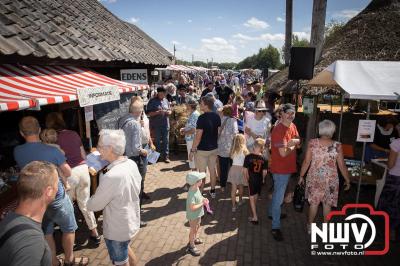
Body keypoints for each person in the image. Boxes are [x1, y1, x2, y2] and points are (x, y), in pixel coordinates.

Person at [13, 116, 87, 266]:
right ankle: (69, 260)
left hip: (35, 198)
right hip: (56, 196)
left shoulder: (17, 151)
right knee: (69, 228)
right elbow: (67, 172)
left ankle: (53, 262)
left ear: (21, 133)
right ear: (39, 130)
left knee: (47, 231)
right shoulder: (51, 150)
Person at [87, 129, 141, 266]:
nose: (97, 149)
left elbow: (93, 205)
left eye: (99, 146)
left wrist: (87, 198)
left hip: (117, 229)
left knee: (121, 262)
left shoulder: (112, 176)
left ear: (109, 148)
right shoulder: (131, 164)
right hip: (129, 221)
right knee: (126, 250)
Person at [46, 112, 100, 244]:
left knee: (68, 208)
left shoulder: (52, 140)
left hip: (68, 173)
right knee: (85, 204)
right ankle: (95, 233)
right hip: (83, 170)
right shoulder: (74, 134)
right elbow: (83, 155)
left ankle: (71, 238)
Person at [0, 161, 58, 266]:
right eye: (57, 184)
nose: (58, 188)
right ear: (49, 191)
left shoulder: (9, 218)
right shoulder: (31, 240)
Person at [298, 120, 351, 234]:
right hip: (331, 179)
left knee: (314, 203)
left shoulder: (313, 143)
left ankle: (310, 227)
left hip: (315, 177)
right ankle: (326, 228)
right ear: (332, 131)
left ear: (320, 130)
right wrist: (347, 179)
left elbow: (307, 161)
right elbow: (342, 165)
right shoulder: (337, 145)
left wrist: (301, 175)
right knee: (327, 204)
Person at [269, 103, 301, 241]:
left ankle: (271, 212)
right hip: (280, 169)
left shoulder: (292, 126)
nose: (291, 115)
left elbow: (299, 141)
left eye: (293, 113)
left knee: (277, 193)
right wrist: (293, 145)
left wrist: (293, 143)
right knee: (279, 197)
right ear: (281, 114)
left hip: (288, 167)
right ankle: (275, 226)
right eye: (288, 113)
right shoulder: (278, 130)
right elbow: (283, 153)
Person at [118, 99, 149, 228]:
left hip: (124, 157)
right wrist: (145, 152)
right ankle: (137, 218)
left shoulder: (122, 119)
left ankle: (128, 215)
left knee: (128, 189)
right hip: (135, 159)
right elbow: (137, 148)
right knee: (138, 189)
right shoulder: (135, 124)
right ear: (139, 111)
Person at [189, 96, 221, 198]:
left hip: (202, 150)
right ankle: (212, 191)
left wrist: (192, 150)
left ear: (206, 105)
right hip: (214, 148)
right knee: (212, 170)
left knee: (202, 173)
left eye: (201, 103)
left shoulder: (201, 118)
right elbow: (219, 132)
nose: (199, 105)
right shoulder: (217, 116)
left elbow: (198, 137)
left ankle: (201, 192)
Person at [131, 96, 155, 201]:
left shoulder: (144, 115)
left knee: (144, 170)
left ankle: (141, 190)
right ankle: (136, 193)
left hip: (145, 146)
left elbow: (147, 130)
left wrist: (151, 142)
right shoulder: (131, 118)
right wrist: (137, 124)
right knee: (137, 171)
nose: (141, 107)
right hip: (137, 148)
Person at [378, 137, 400, 241]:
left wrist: (387, 162)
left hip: (395, 178)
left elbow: (391, 164)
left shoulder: (396, 143)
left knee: (389, 205)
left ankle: (389, 231)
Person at [244, 138, 268, 224]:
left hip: (252, 179)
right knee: (256, 194)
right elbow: (265, 172)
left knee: (251, 196)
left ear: (254, 146)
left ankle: (255, 217)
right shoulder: (264, 158)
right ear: (262, 148)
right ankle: (254, 208)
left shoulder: (248, 157)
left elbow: (245, 171)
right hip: (259, 180)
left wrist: (247, 179)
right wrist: (263, 179)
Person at [185, 171, 208, 256]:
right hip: (193, 215)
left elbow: (200, 196)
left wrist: (203, 199)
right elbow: (192, 207)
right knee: (193, 229)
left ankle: (194, 238)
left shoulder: (196, 188)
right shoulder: (191, 194)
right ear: (195, 182)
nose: (202, 180)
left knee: (198, 225)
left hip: (198, 213)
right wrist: (203, 204)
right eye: (200, 179)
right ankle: (191, 245)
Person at [147, 87, 172, 163]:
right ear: (158, 93)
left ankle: (166, 157)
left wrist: (169, 112)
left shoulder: (166, 100)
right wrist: (158, 112)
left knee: (166, 141)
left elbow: (169, 110)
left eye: (164, 94)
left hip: (165, 124)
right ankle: (156, 157)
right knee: (157, 141)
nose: (162, 95)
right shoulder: (152, 101)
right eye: (161, 94)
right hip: (156, 125)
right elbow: (149, 113)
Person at [217, 105, 238, 192]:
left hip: (222, 148)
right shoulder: (233, 121)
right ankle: (234, 186)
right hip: (232, 148)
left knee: (223, 168)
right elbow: (236, 134)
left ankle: (222, 186)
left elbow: (217, 132)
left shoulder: (220, 120)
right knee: (233, 167)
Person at [228, 134, 249, 212]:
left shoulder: (232, 150)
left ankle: (233, 206)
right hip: (241, 170)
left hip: (233, 169)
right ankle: (240, 200)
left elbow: (230, 157)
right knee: (241, 186)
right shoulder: (245, 151)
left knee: (233, 189)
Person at [180, 97, 200, 170]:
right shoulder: (193, 114)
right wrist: (184, 129)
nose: (186, 105)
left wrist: (184, 132)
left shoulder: (194, 115)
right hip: (191, 139)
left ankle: (195, 178)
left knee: (193, 160)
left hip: (192, 139)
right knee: (193, 160)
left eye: (187, 104)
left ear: (190, 105)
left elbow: (194, 130)